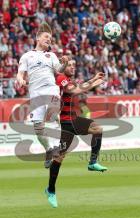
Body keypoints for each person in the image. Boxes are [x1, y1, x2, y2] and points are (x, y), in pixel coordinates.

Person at [45, 59, 108, 208]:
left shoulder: (68, 79)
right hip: (67, 122)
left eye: (74, 65)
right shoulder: (61, 78)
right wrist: (93, 83)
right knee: (60, 158)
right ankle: (51, 190)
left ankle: (92, 163)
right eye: (70, 65)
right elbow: (75, 90)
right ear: (63, 67)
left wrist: (93, 79)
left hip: (72, 120)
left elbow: (78, 86)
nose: (73, 67)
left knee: (97, 129)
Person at [16, 22, 69, 168]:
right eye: (46, 37)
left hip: (51, 90)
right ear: (38, 38)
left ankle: (58, 145)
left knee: (52, 114)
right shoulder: (27, 56)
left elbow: (59, 70)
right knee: (38, 129)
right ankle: (49, 149)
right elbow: (20, 74)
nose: (49, 40)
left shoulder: (51, 55)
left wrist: (64, 63)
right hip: (36, 94)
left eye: (51, 38)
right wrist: (20, 80)